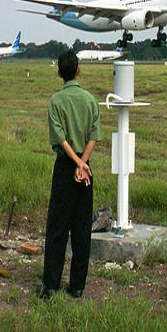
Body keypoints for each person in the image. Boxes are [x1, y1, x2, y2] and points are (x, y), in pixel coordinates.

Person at [39, 49, 102, 299]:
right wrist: (84, 163)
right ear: (78, 70)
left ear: (59, 73)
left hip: (66, 167)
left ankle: (50, 285)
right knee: (82, 228)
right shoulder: (90, 101)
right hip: (84, 170)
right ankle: (77, 286)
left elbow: (60, 139)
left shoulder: (56, 101)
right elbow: (95, 135)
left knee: (57, 229)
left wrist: (75, 162)